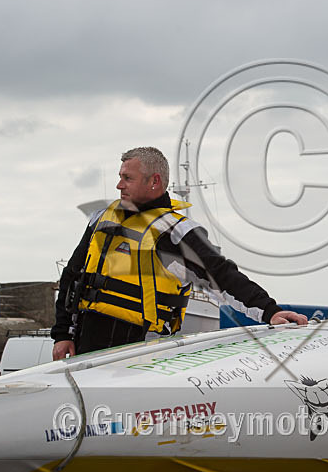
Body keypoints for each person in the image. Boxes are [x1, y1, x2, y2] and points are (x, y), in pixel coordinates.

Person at [51, 147, 307, 360]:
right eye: (120, 176)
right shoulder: (101, 219)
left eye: (127, 178)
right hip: (86, 348)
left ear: (154, 182)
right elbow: (72, 276)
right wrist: (62, 334)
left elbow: (222, 276)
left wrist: (269, 311)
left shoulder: (176, 232)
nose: (119, 185)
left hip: (141, 353)